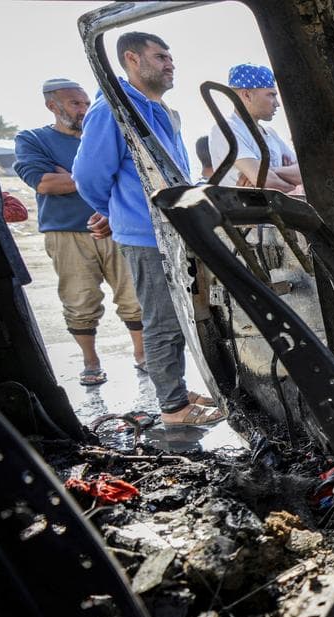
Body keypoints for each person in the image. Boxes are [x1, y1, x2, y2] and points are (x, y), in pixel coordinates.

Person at [73, 31, 223, 425]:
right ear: (132, 59)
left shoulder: (162, 111)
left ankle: (175, 389)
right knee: (162, 320)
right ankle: (173, 409)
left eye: (170, 57)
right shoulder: (113, 110)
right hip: (145, 235)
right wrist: (117, 211)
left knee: (186, 318)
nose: (170, 64)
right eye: (160, 57)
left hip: (174, 230)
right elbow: (88, 176)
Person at [14, 78, 146, 386]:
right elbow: (44, 183)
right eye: (75, 104)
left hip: (117, 226)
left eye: (86, 103)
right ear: (52, 106)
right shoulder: (33, 139)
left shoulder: (103, 135)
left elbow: (130, 176)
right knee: (79, 300)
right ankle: (90, 361)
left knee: (133, 296)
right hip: (66, 233)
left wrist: (73, 177)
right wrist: (94, 174)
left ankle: (142, 355)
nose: (84, 110)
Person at [207, 63, 301, 191]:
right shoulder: (226, 129)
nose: (277, 104)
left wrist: (270, 171)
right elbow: (266, 181)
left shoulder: (271, 134)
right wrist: (292, 184)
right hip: (245, 210)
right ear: (247, 95)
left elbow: (304, 173)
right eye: (271, 95)